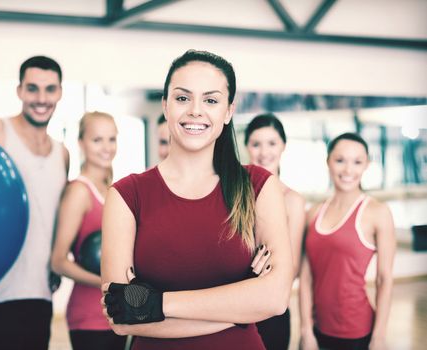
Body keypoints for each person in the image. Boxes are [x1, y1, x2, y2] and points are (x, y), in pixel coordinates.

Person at [100, 49, 293, 350]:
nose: (195, 111)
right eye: (182, 98)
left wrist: (157, 303)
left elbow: (276, 298)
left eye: (211, 100)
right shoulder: (126, 196)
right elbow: (122, 317)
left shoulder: (257, 187)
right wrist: (241, 307)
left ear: (228, 111)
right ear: (165, 106)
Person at [0, 56, 69, 350]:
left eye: (49, 89)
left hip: (40, 292)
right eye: (33, 88)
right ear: (19, 91)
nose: (41, 99)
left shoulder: (62, 154)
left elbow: (55, 218)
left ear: (60, 92)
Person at [299, 132, 396, 350]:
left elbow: (384, 280)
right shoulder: (313, 213)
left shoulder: (377, 213)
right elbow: (306, 277)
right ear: (328, 162)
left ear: (367, 165)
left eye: (357, 162)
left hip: (357, 331)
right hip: (317, 328)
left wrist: (379, 338)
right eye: (340, 160)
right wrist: (305, 330)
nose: (348, 170)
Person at [51, 112, 127, 350]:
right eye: (97, 140)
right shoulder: (79, 192)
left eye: (111, 139)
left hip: (118, 313)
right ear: (81, 143)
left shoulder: (113, 189)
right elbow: (58, 261)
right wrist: (107, 282)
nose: (106, 148)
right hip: (88, 317)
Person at [244, 113, 306, 350]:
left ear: (283, 146)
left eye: (272, 143)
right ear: (247, 147)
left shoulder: (292, 200)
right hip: (232, 308)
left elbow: (292, 268)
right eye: (256, 144)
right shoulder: (233, 195)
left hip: (272, 311)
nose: (264, 151)